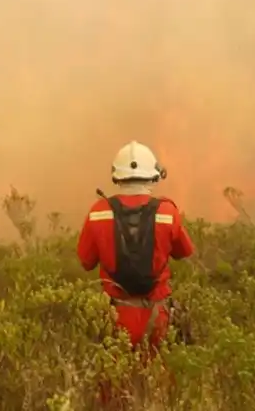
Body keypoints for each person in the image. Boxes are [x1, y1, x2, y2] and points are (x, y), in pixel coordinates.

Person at [76, 141, 194, 351]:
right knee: (161, 379)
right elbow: (184, 251)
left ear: (117, 176)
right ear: (153, 175)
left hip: (115, 318)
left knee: (114, 380)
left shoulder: (98, 212)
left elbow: (86, 261)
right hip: (158, 317)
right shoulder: (167, 212)